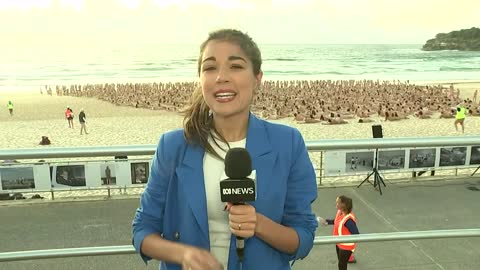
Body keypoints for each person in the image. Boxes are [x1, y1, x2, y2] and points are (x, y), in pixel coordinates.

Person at [132, 29, 318, 270]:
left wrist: (259, 224)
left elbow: (303, 237)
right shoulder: (173, 146)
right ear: (200, 79)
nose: (221, 77)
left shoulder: (288, 143)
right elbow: (142, 229)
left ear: (257, 78)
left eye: (236, 66)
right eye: (210, 68)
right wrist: (184, 254)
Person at [320, 195, 359, 270]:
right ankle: (349, 258)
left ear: (343, 205)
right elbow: (337, 221)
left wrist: (349, 247)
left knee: (342, 264)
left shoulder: (348, 220)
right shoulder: (340, 212)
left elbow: (356, 235)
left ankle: (349, 256)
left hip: (346, 246)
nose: (336, 204)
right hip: (339, 243)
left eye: (337, 203)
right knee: (341, 261)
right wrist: (327, 222)